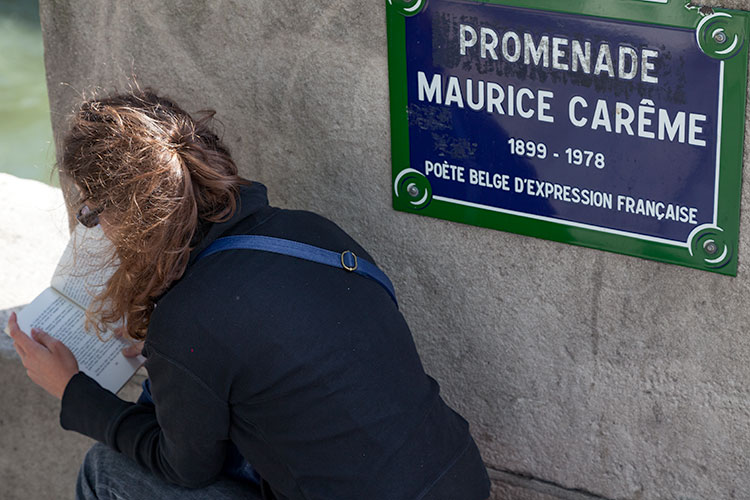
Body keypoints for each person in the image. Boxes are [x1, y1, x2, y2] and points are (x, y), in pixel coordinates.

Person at [7, 88, 491, 500]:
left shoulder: (189, 320)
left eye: (92, 215)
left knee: (105, 473)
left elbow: (185, 468)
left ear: (131, 219)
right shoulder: (310, 230)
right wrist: (181, 359)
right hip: (459, 477)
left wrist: (75, 391)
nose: (96, 230)